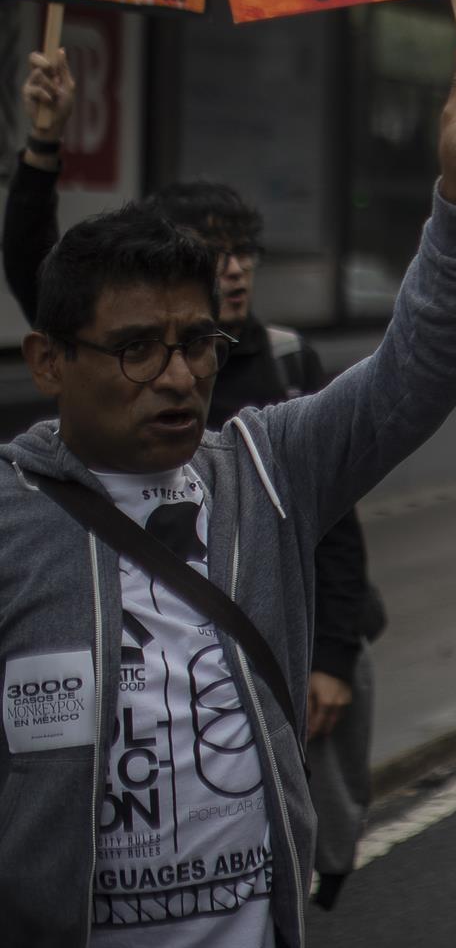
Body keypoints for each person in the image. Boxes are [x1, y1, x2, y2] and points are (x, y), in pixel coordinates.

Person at [0, 47, 456, 947]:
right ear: (49, 362)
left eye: (198, 341)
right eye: (137, 348)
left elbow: (420, 368)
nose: (177, 376)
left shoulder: (263, 467)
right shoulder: (13, 522)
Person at [4, 47, 384, 909]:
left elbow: (338, 520)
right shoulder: (92, 367)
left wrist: (333, 652)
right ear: (59, 361)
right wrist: (44, 147)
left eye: (244, 250)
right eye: (218, 251)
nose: (176, 378)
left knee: (294, 805)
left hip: (281, 635)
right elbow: (37, 266)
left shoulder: (284, 363)